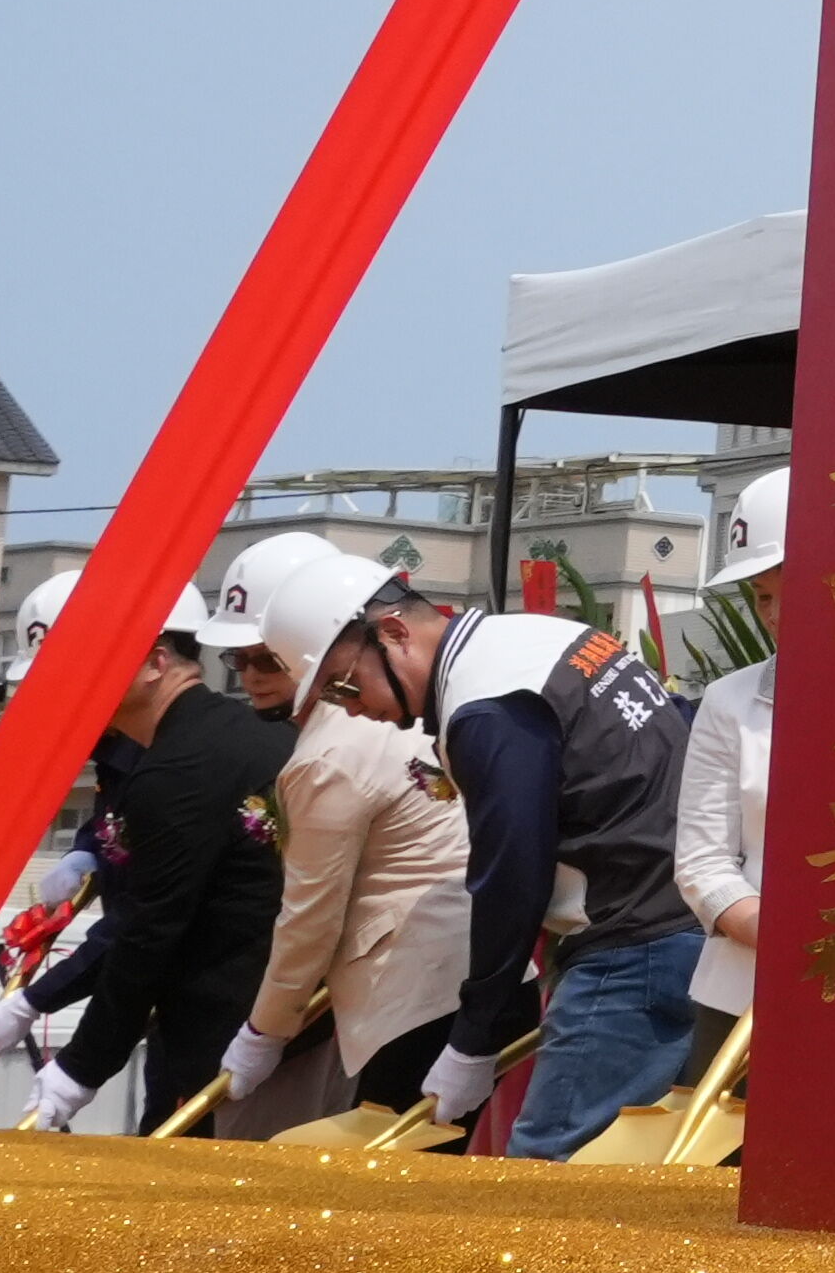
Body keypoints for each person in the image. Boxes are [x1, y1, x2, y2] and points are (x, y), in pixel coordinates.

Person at [267, 536, 701, 1158]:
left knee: (545, 1175)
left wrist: (472, 1039)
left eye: (343, 686)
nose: (353, 710)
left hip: (633, 944)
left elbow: (510, 875)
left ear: (392, 631)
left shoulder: (486, 706)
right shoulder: (530, 640)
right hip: (674, 921)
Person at [0, 569, 283, 1135]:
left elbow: (149, 932)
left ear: (154, 662)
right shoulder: (200, 744)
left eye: (81, 664)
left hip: (230, 1026)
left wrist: (79, 1067)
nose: (62, 687)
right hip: (222, 1016)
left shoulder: (181, 768)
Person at [195, 532, 474, 1126]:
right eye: (236, 659)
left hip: (409, 997)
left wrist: (262, 1032)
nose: (249, 676)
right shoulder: (412, 709)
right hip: (468, 976)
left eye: (266, 657)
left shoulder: (328, 756)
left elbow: (309, 919)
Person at [662, 472, 780, 1112]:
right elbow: (703, 860)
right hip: (742, 994)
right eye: (763, 597)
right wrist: (778, 934)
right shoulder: (730, 701)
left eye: (796, 591)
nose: (776, 616)